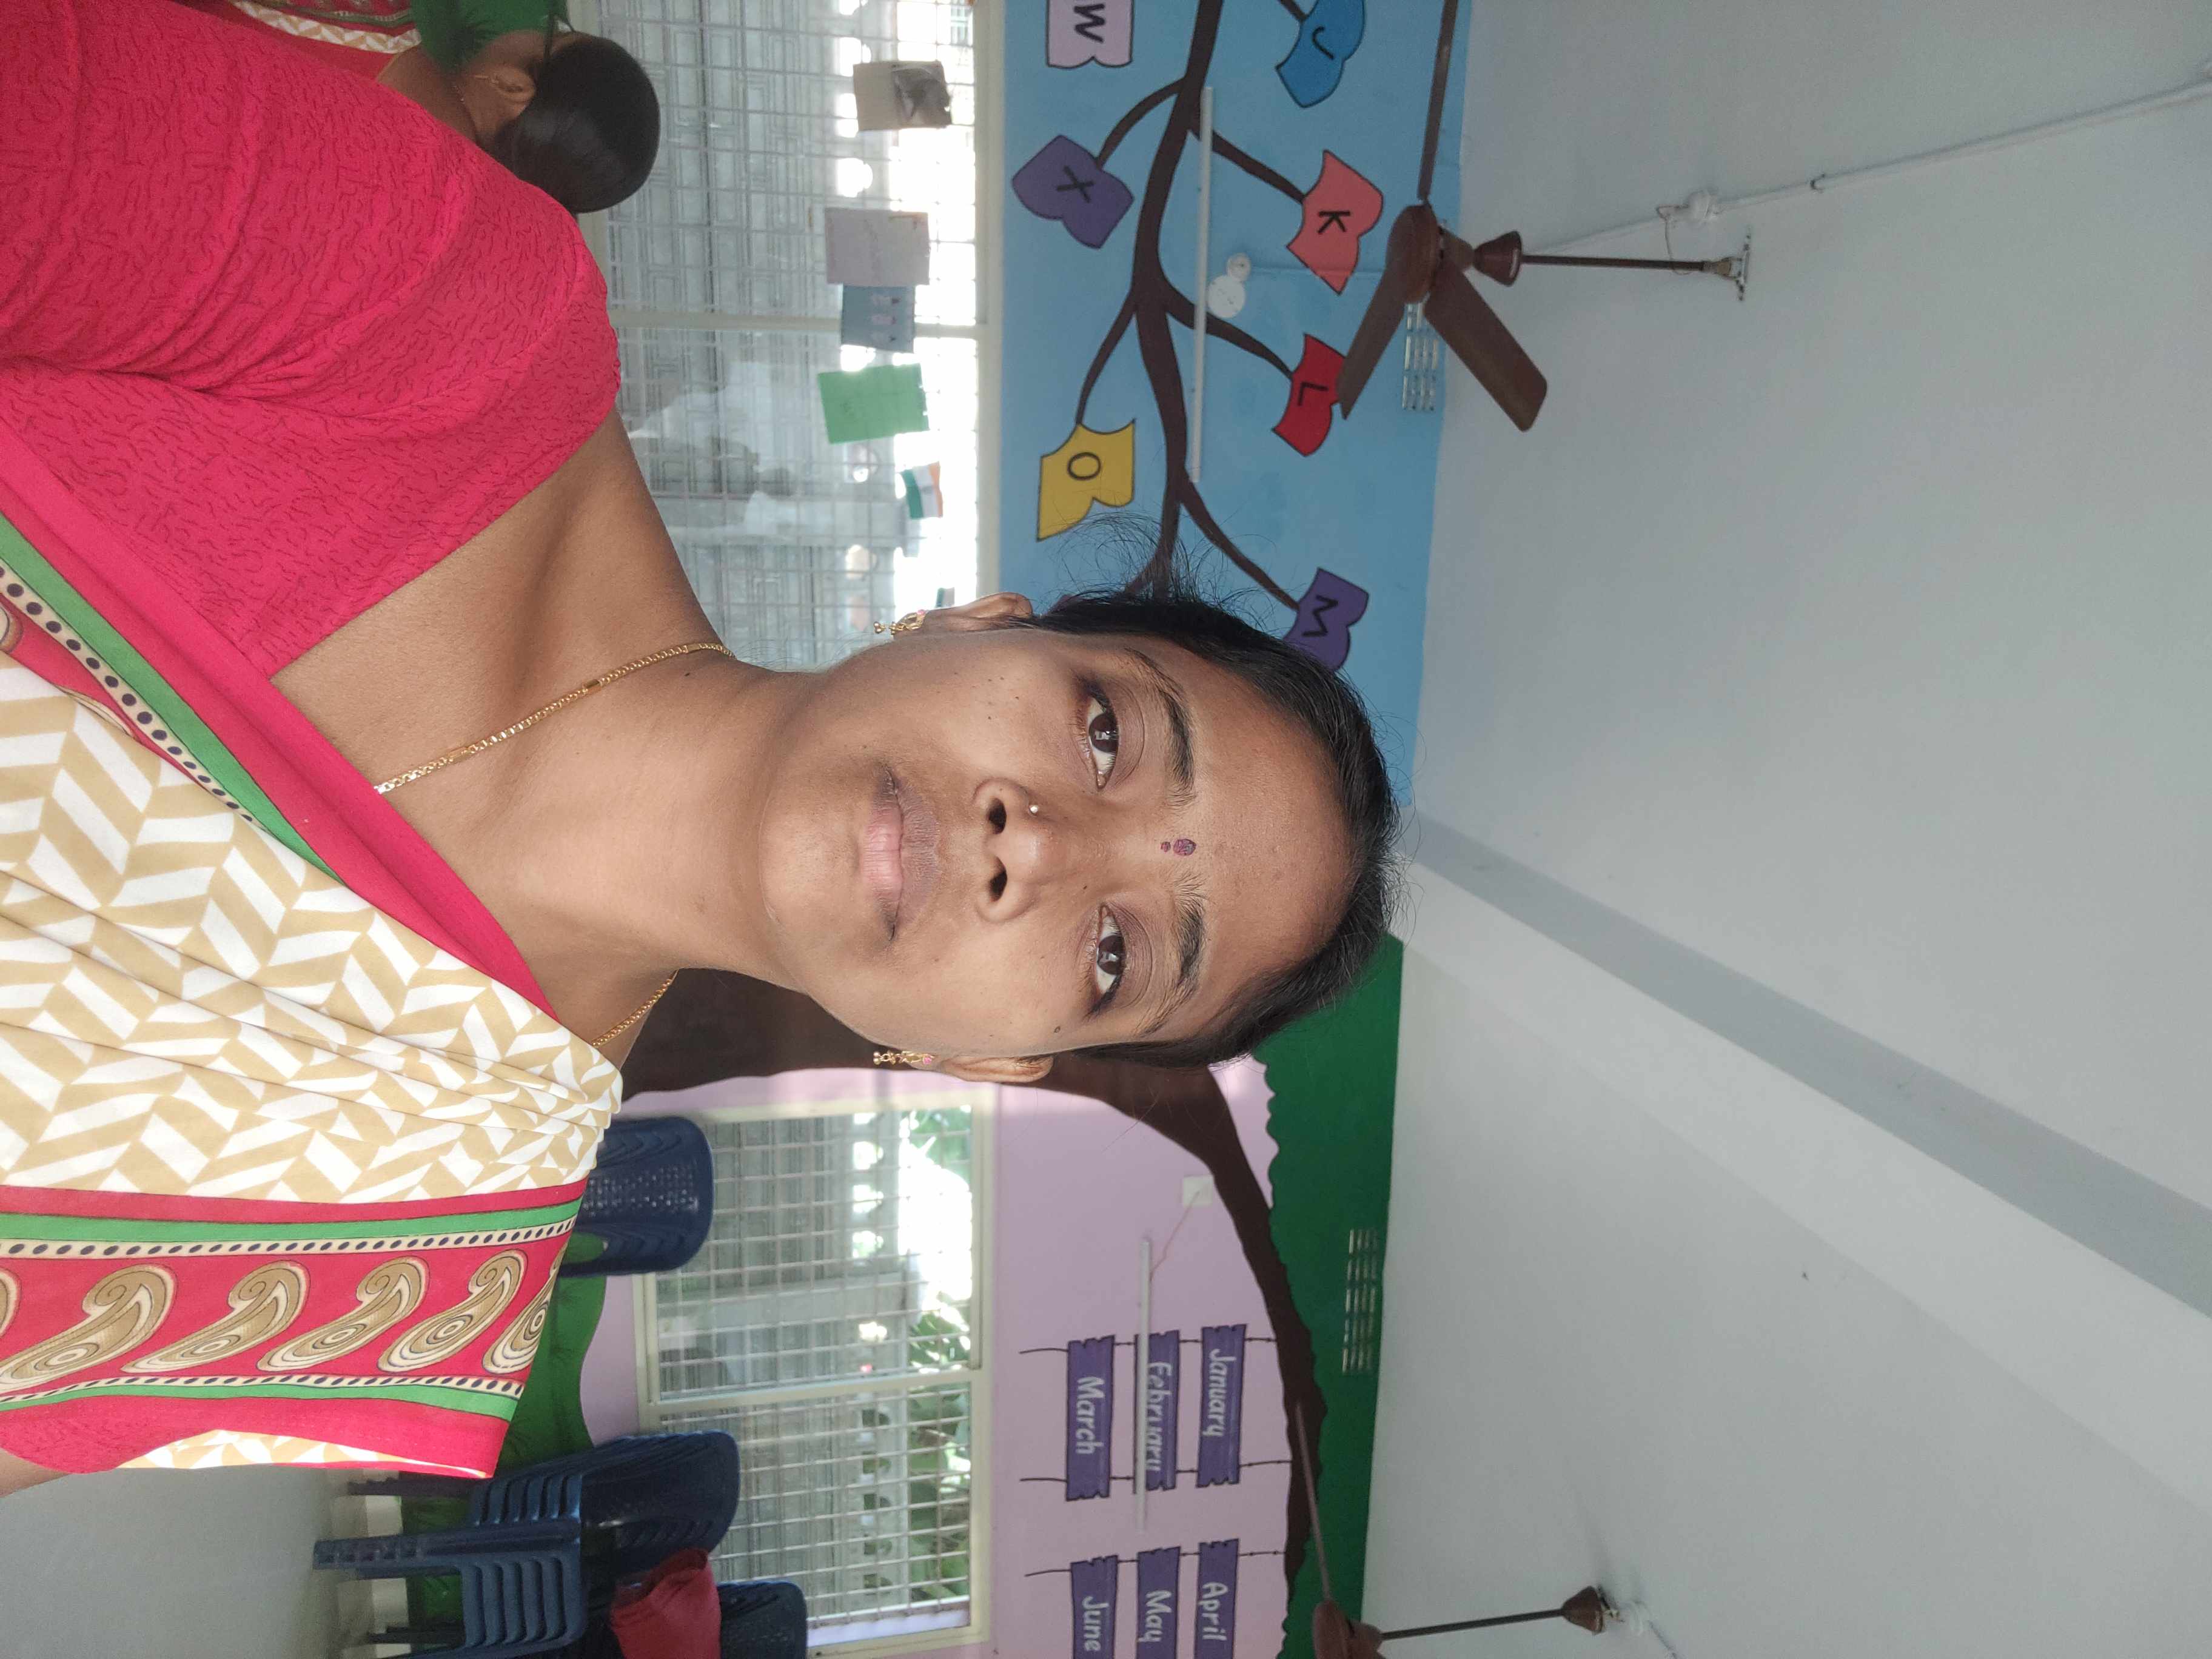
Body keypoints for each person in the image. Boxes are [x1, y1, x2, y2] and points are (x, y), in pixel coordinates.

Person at [0, 0, 1395, 1495]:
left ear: (985, 1057)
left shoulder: (423, 1258)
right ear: (975, 619)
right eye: (1108, 732)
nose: (1037, 843)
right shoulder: (452, 326)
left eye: (1119, 953)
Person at [173, 0, 662, 213]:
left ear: (514, 86)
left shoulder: (364, 20)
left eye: (555, 34)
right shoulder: (416, 219)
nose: (534, 28)